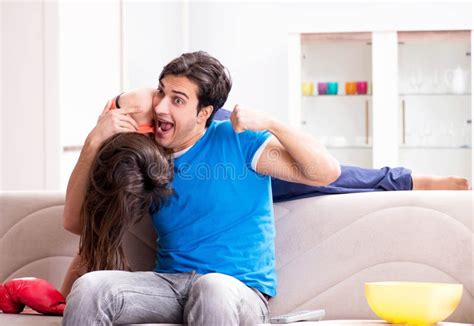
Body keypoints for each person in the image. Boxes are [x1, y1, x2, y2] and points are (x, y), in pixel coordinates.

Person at [62, 51, 469, 325]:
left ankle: (410, 179)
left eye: (178, 100)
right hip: (172, 285)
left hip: (239, 292)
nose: (162, 107)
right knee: (92, 288)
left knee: (213, 285)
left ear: (206, 112)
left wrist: (272, 123)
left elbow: (326, 172)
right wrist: (95, 140)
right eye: (162, 94)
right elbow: (77, 223)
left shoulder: (238, 141)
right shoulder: (148, 157)